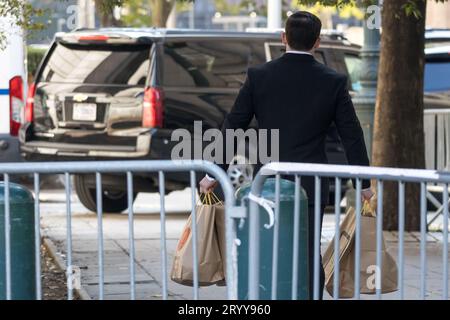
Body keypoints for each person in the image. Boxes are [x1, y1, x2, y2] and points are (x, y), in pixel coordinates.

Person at [199, 11, 374, 299]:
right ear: (317, 42)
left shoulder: (259, 76)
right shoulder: (333, 81)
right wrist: (364, 184)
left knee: (267, 249)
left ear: (283, 38)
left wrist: (213, 173)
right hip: (312, 182)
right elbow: (351, 134)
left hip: (267, 183)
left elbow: (234, 125)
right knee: (308, 252)